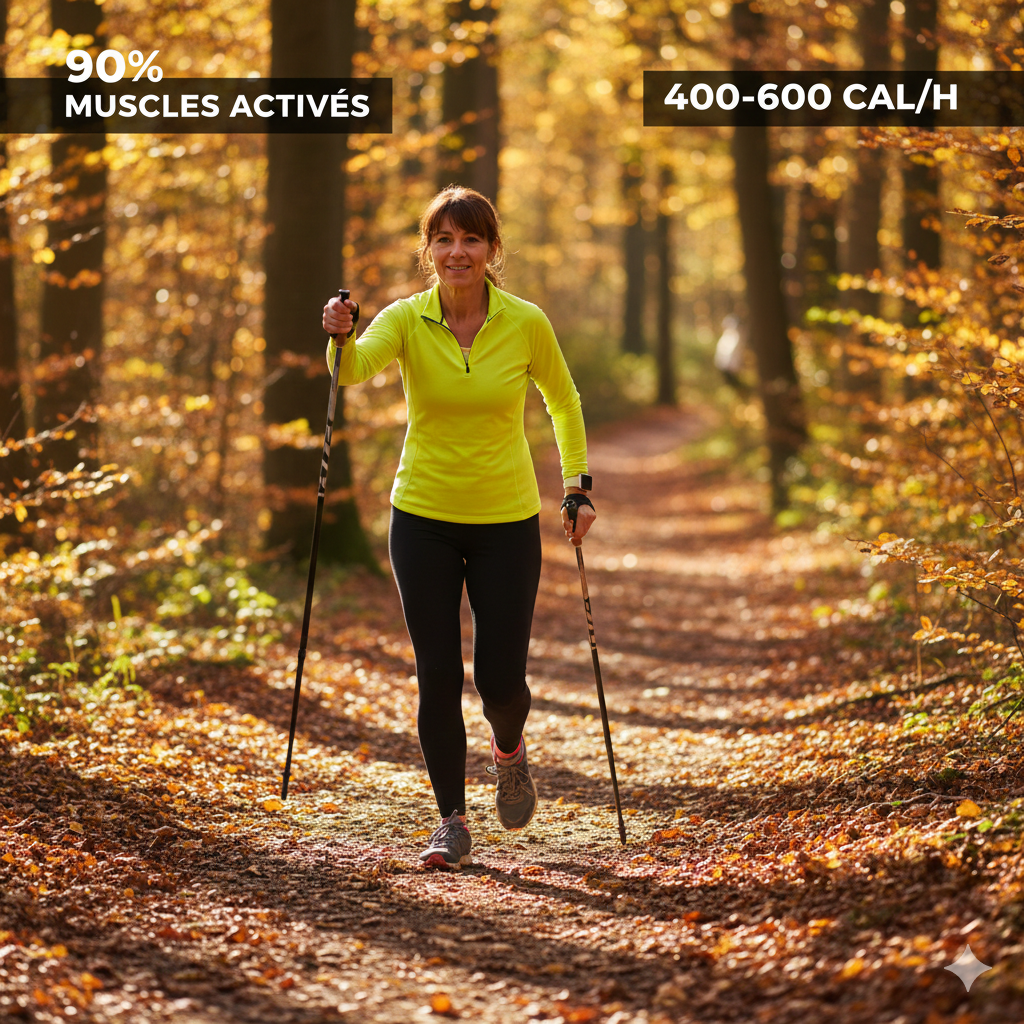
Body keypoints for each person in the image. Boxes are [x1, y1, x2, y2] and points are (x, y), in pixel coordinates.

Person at [322, 185, 595, 870]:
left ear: (492, 249)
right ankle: (450, 820)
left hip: (505, 519)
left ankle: (510, 751)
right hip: (422, 518)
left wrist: (576, 486)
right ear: (428, 250)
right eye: (443, 239)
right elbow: (351, 371)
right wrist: (340, 332)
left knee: (500, 681)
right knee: (437, 674)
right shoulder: (407, 321)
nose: (457, 251)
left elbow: (562, 399)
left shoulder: (526, 322)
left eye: (470, 239)